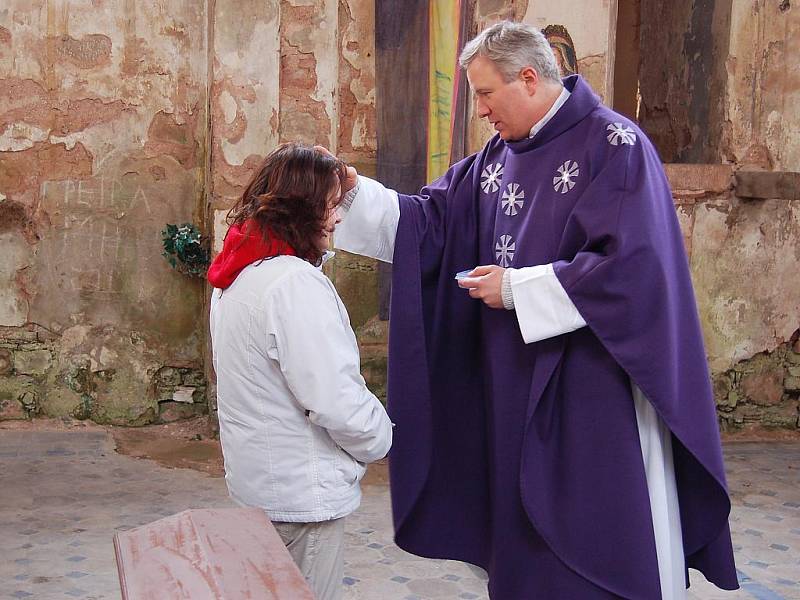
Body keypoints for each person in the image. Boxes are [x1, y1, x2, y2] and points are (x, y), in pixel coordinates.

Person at [332, 20, 738, 600]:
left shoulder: (615, 147)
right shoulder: (497, 158)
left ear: (528, 77)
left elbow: (631, 267)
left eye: (486, 94)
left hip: (592, 381)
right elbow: (431, 221)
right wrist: (350, 193)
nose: (481, 112)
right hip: (511, 378)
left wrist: (520, 289)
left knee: (593, 526)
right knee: (522, 542)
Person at [208, 143, 392, 600]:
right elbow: (333, 398)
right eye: (331, 205)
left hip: (262, 484)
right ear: (302, 208)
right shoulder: (293, 284)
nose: (338, 218)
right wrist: (382, 437)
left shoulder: (241, 272)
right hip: (300, 495)